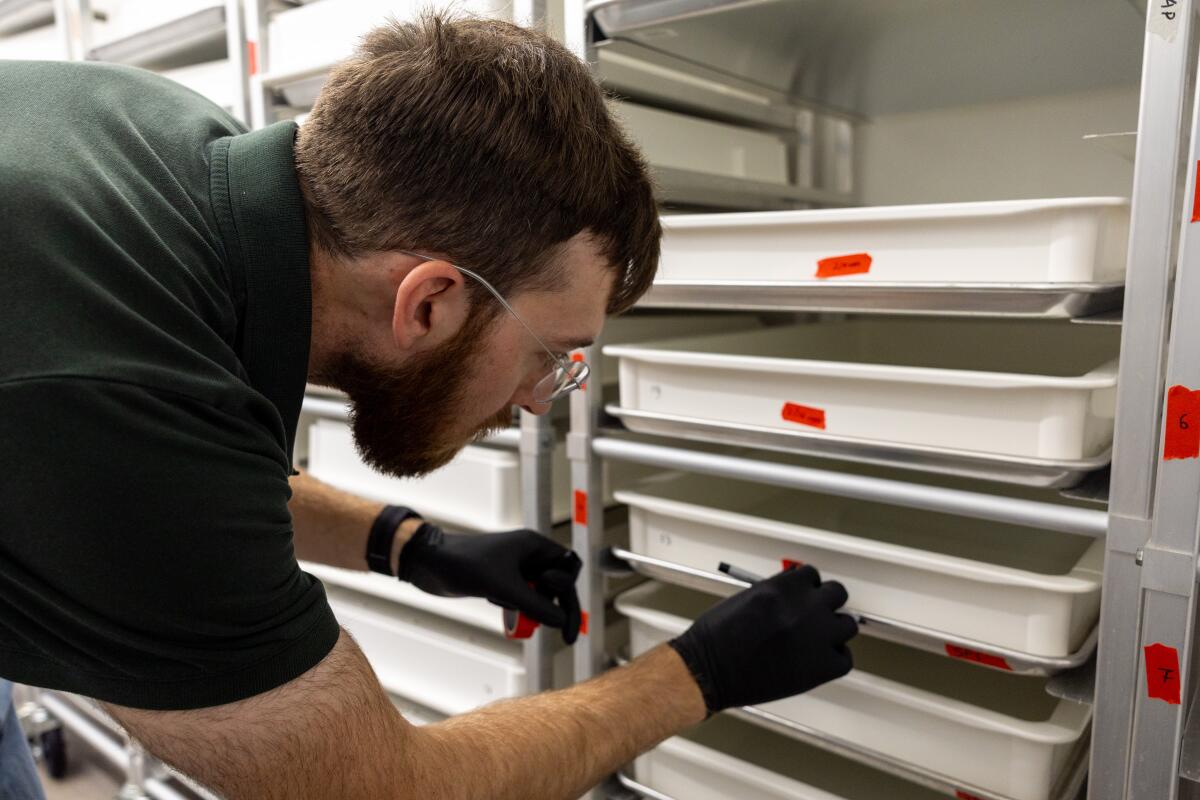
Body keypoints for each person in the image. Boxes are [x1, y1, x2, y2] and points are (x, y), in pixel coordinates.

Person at [0, 13, 857, 799]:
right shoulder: (105, 381)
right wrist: (698, 672)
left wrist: (413, 546)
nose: (535, 402)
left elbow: (191, 471)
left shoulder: (174, 151)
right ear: (430, 304)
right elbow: (382, 788)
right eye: (550, 355)